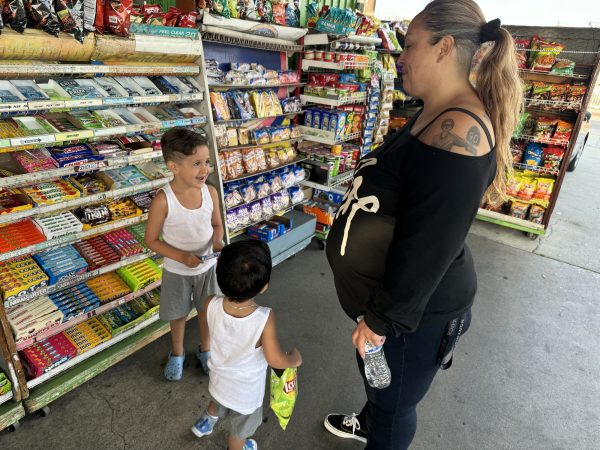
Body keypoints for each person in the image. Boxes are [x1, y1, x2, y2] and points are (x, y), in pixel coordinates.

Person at [323, 1, 522, 448]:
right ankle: (371, 418)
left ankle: (380, 428)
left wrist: (380, 320)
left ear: (444, 47)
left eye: (410, 44)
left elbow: (428, 245)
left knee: (395, 408)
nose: (400, 56)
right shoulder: (436, 110)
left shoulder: (460, 135)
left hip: (414, 317)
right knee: (382, 391)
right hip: (385, 303)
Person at [191, 240, 302, 450]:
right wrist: (294, 359)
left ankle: (205, 423)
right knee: (240, 430)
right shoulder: (264, 318)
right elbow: (275, 359)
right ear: (264, 286)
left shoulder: (210, 303)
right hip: (245, 393)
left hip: (218, 379)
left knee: (218, 401)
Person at [145, 127, 224, 381]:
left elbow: (216, 224)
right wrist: (182, 257)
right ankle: (177, 353)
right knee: (178, 315)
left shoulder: (210, 192)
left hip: (206, 269)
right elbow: (151, 240)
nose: (205, 169)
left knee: (206, 313)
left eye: (207, 162)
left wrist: (218, 242)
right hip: (177, 271)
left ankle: (206, 351)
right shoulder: (163, 200)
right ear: (174, 167)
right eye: (197, 163)